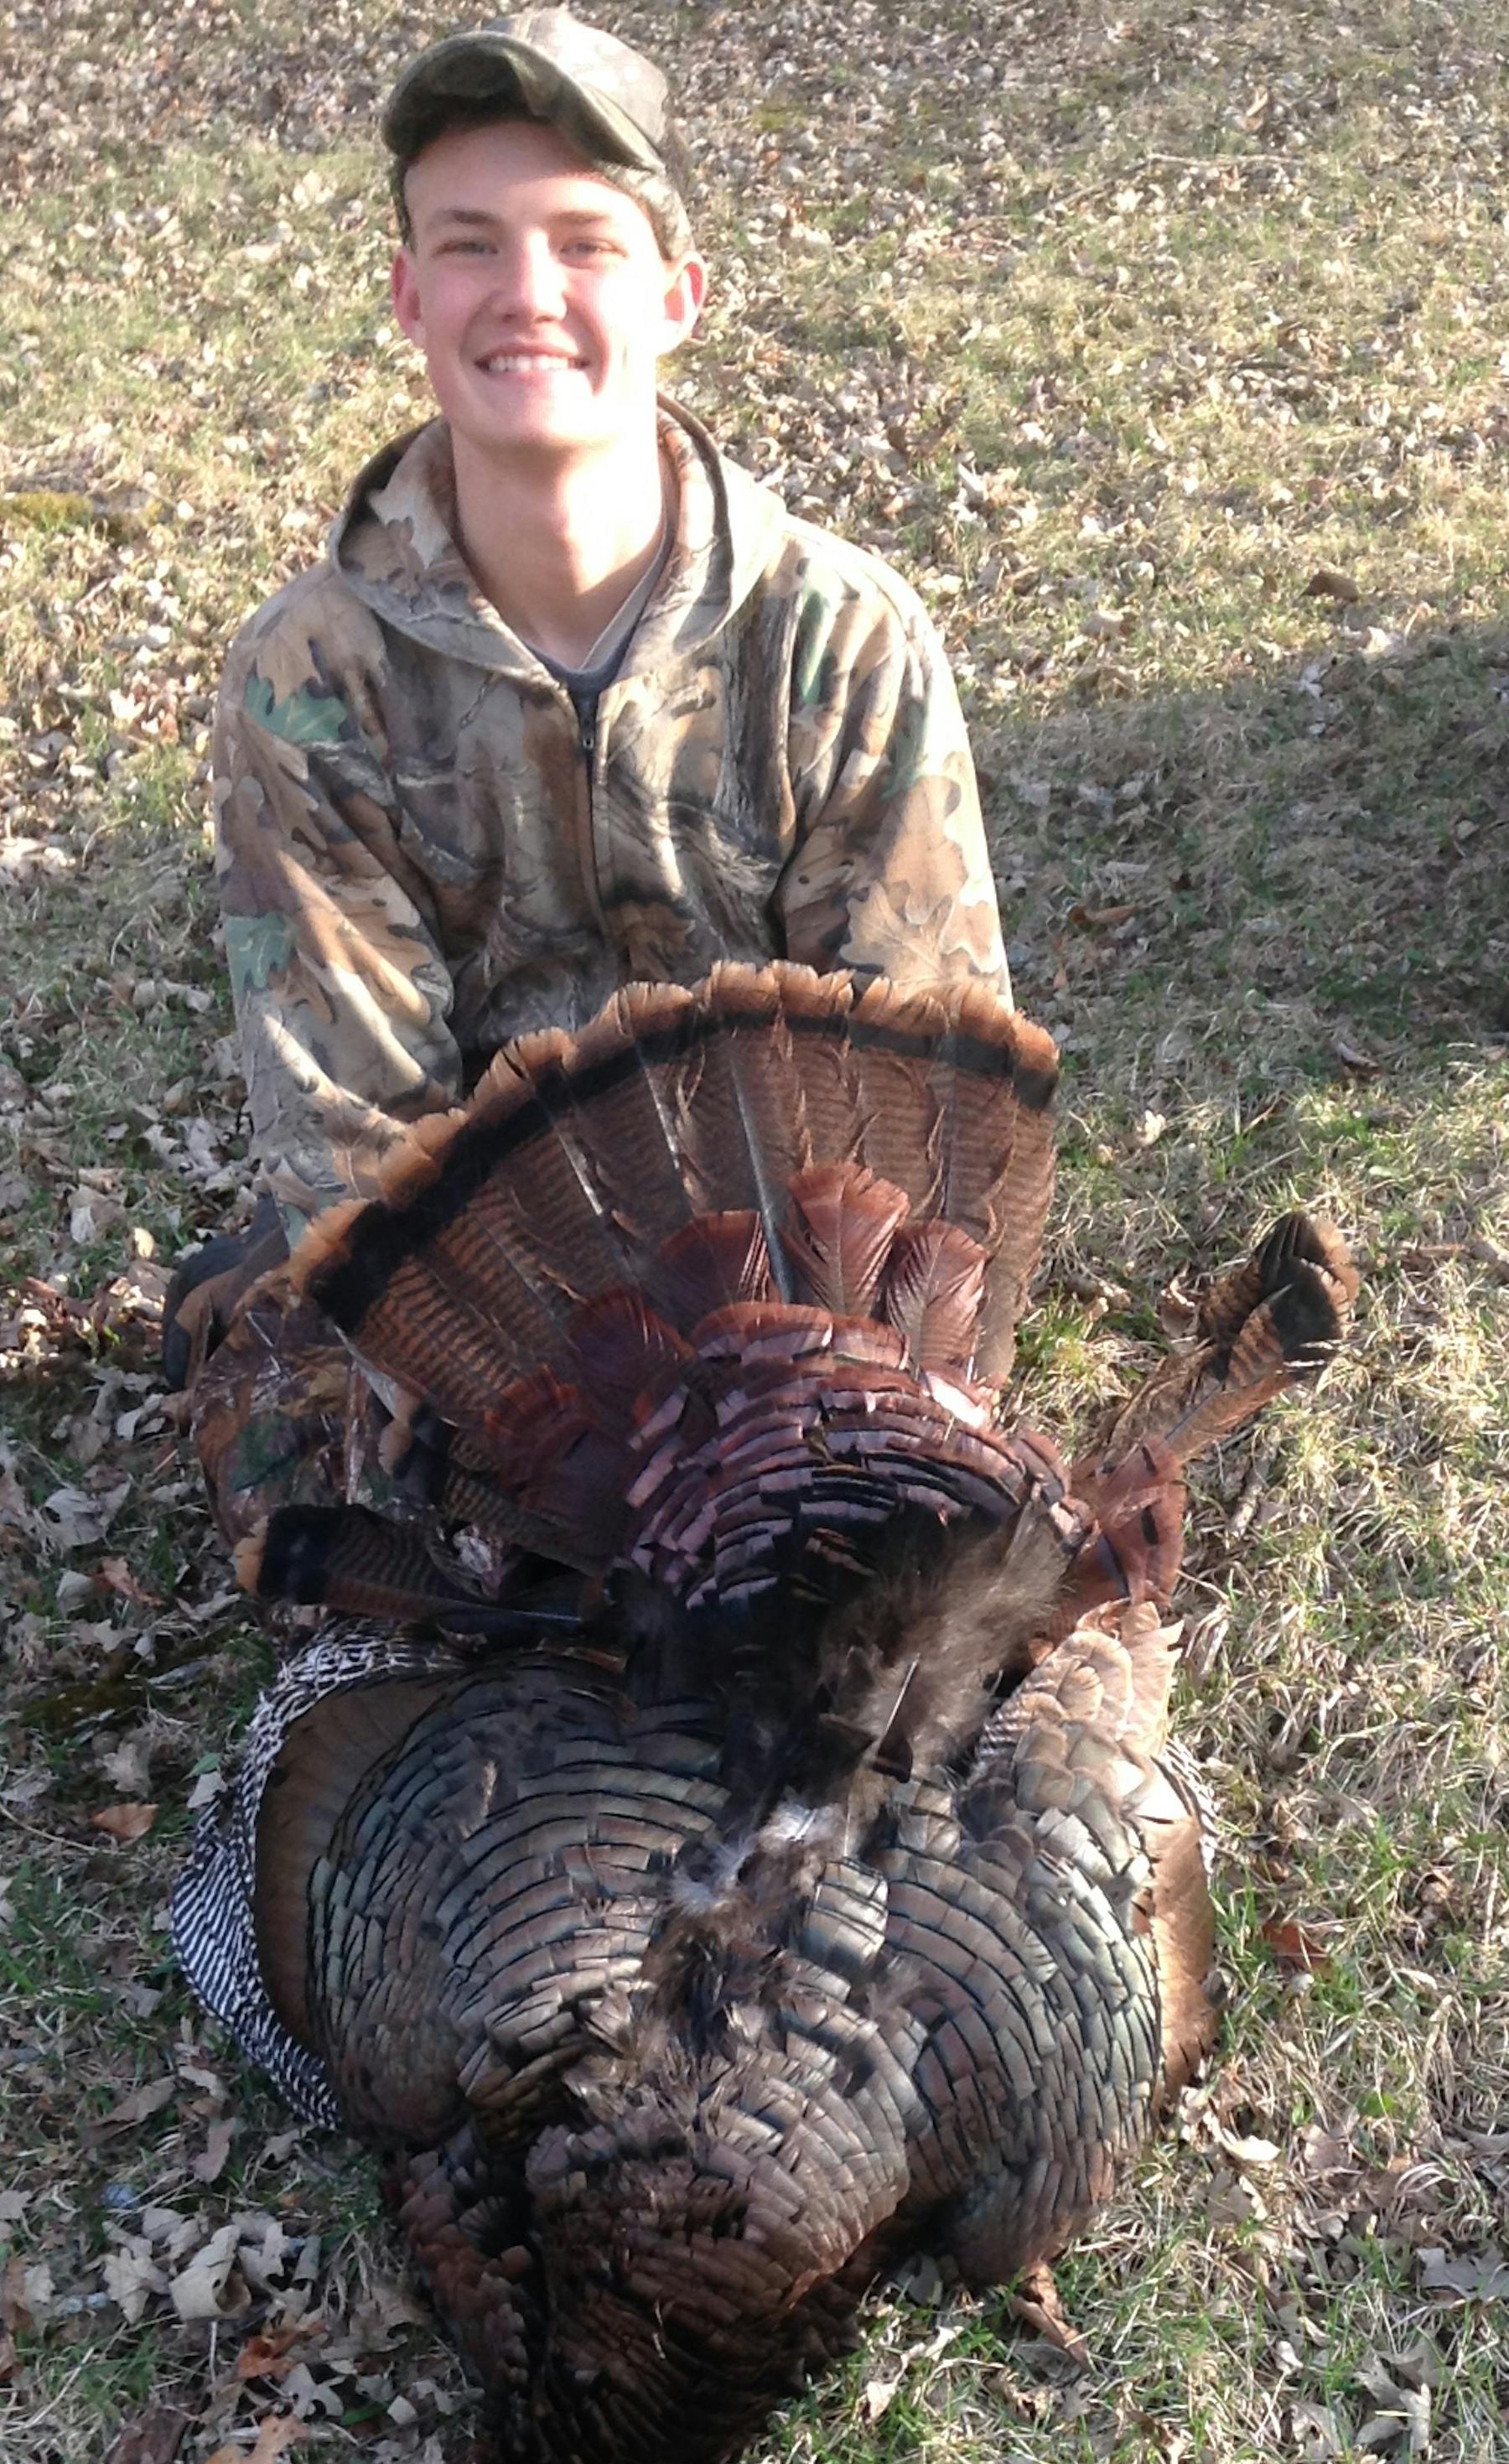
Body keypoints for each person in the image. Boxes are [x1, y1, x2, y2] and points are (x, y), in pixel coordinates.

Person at [167, 4, 1009, 1574]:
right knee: (354, 1532)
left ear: (680, 293)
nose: (528, 296)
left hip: (791, 1295)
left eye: (585, 243)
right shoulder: (312, 676)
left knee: (924, 1568)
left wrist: (794, 1412)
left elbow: (916, 1106)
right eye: (472, 246)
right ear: (412, 296)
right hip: (476, 1323)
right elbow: (360, 1146)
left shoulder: (841, 638)